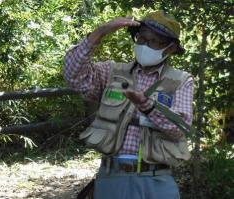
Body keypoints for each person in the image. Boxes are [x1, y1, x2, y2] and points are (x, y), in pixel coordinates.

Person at [64, 10, 194, 199]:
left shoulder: (180, 81)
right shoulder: (111, 72)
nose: (144, 45)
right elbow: (73, 76)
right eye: (141, 39)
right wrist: (100, 32)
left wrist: (147, 106)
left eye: (153, 42)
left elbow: (179, 129)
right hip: (112, 178)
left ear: (170, 49)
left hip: (156, 181)